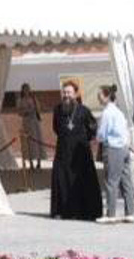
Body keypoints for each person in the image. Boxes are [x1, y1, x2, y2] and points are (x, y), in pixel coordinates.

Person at [49, 80, 102, 221]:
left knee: (82, 181)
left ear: (75, 94)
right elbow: (55, 128)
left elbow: (92, 127)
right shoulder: (57, 110)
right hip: (63, 152)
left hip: (80, 154)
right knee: (61, 180)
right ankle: (63, 211)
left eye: (69, 92)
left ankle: (84, 211)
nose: (66, 95)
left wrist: (84, 140)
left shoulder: (83, 110)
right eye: (64, 92)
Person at [95, 85, 134, 223]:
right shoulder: (119, 111)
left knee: (111, 181)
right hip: (124, 147)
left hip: (112, 147)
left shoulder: (107, 113)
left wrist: (98, 137)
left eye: (100, 95)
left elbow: (102, 133)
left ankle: (110, 214)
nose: (98, 97)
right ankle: (130, 212)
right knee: (126, 181)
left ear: (106, 96)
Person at [17, 83, 44, 171]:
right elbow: (19, 112)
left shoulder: (33, 99)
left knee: (37, 140)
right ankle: (31, 163)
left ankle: (39, 162)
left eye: (27, 89)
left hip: (35, 122)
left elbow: (39, 109)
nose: (26, 91)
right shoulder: (20, 100)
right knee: (29, 142)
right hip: (27, 123)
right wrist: (26, 111)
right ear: (22, 90)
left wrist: (36, 109)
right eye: (25, 89)